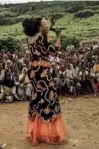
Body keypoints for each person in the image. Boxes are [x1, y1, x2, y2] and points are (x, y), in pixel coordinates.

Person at [22, 17, 67, 145]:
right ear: (38, 27)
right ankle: (51, 133)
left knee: (37, 100)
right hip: (43, 73)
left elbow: (40, 48)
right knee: (49, 100)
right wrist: (59, 35)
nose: (46, 25)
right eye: (44, 24)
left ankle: (36, 134)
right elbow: (55, 50)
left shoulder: (29, 39)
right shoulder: (42, 38)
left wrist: (48, 29)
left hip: (33, 73)